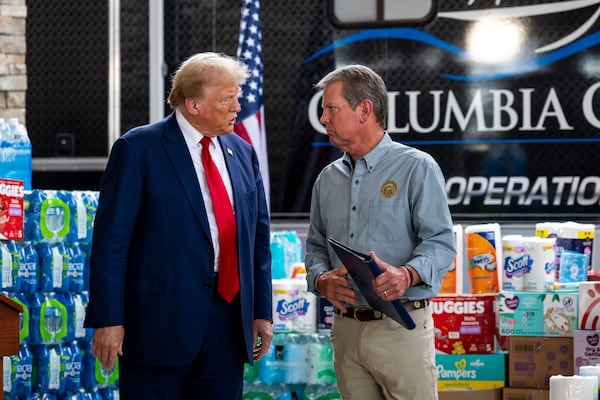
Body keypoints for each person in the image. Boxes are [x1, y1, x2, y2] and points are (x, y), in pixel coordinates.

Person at [84, 52, 273, 399]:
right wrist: (108, 319)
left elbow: (258, 238)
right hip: (158, 324)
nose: (237, 106)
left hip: (228, 324)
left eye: (237, 96)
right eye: (227, 98)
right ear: (194, 104)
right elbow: (112, 242)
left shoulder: (243, 152)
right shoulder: (138, 148)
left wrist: (262, 310)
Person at [305, 65, 456, 400]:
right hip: (345, 331)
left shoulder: (417, 167)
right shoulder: (326, 179)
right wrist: (320, 280)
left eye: (331, 108)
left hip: (400, 331)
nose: (324, 118)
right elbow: (315, 247)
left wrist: (406, 274)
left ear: (364, 110)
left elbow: (442, 244)